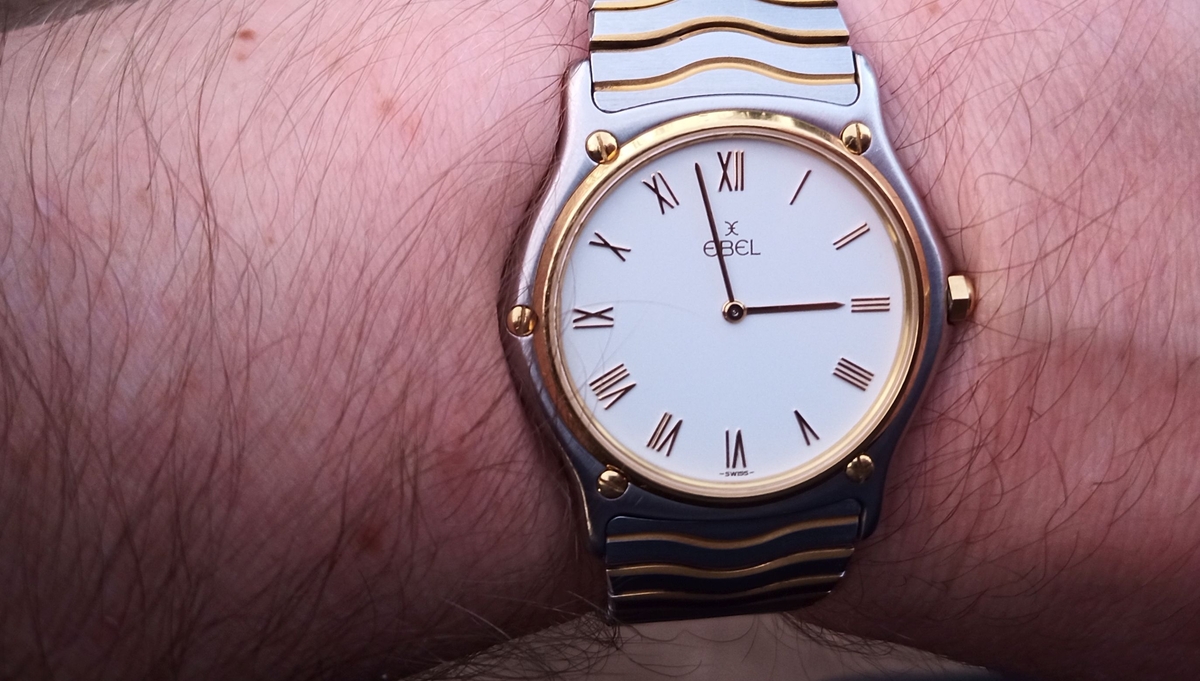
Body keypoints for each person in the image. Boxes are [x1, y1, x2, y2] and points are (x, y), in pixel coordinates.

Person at [0, 0, 1196, 678]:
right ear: (529, 317)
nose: (736, 310)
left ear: (946, 293)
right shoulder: (592, 162)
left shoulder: (880, 260)